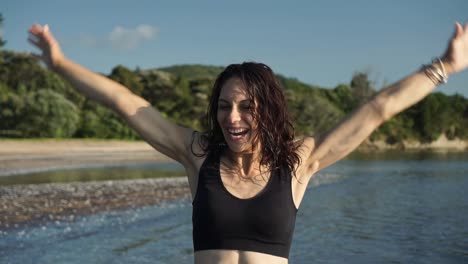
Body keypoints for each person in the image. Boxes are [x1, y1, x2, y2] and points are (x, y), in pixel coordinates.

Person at [28, 22, 468, 263]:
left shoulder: (298, 162)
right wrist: (61, 63)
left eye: (245, 107)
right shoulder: (198, 155)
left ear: (268, 109)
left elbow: (377, 109)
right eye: (223, 106)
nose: (232, 118)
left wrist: (444, 66)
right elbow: (125, 103)